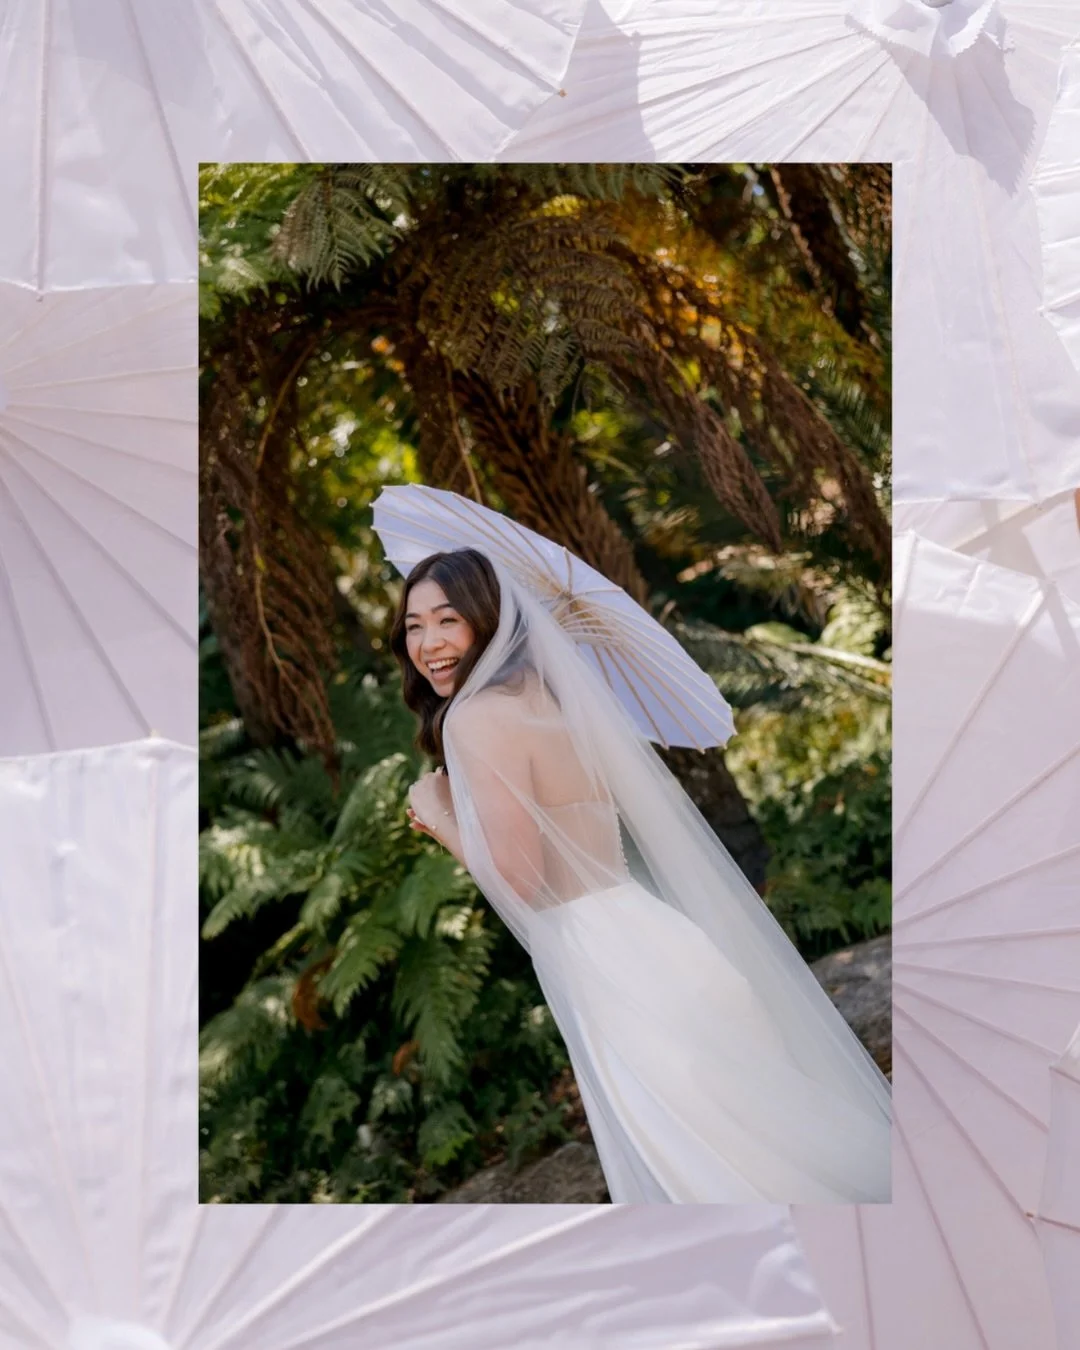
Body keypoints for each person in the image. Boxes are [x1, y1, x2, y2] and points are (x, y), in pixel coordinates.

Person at [389, 546, 891, 1204]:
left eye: (447, 620)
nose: (428, 643)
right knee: (774, 1147)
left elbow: (521, 880)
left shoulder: (475, 718)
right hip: (657, 935)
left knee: (715, 1178)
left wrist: (438, 817)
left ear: (488, 618)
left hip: (609, 967)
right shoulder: (554, 697)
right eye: (414, 625)